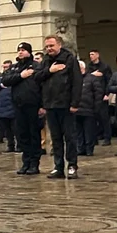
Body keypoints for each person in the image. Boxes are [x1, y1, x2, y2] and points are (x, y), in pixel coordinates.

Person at [36, 35, 83, 179]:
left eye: (51, 45)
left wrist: (75, 103)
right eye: (47, 46)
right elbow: (37, 78)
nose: (49, 48)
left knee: (70, 137)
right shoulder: (45, 61)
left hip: (66, 105)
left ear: (59, 45)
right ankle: (58, 167)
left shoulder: (69, 59)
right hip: (50, 105)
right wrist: (50, 70)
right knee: (55, 138)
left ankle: (72, 165)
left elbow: (77, 82)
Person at [2, 42, 47, 175]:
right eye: (19, 50)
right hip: (18, 105)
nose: (20, 52)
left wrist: (42, 105)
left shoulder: (37, 66)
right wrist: (21, 75)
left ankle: (34, 163)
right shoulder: (15, 67)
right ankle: (26, 162)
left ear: (29, 52)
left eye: (23, 50)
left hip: (33, 105)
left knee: (34, 134)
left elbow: (43, 86)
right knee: (22, 135)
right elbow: (6, 80)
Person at [75, 61, 105, 157]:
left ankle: (89, 149)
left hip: (89, 109)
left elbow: (98, 94)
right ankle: (80, 148)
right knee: (78, 132)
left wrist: (96, 107)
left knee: (89, 131)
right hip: (76, 110)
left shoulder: (92, 79)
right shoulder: (74, 79)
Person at [87, 51, 113, 146]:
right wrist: (92, 74)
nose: (91, 56)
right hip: (91, 96)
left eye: (93, 54)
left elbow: (109, 81)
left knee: (104, 118)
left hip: (102, 95)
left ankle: (107, 138)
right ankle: (95, 138)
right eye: (90, 55)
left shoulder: (105, 67)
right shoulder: (88, 67)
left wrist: (107, 93)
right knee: (93, 118)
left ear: (97, 55)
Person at [0, 61, 17, 152]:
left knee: (15, 128)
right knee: (7, 129)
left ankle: (19, 145)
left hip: (12, 106)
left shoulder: (14, 77)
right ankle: (10, 145)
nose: (5, 69)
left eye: (7, 67)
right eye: (4, 67)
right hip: (1, 106)